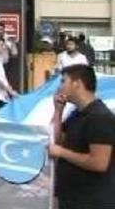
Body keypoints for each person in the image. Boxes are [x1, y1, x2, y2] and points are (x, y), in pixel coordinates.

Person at [49, 65, 115, 208]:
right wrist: (58, 111)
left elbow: (99, 162)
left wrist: (62, 153)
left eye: (63, 81)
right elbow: (56, 140)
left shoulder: (99, 117)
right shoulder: (77, 114)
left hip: (91, 201)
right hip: (71, 198)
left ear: (77, 83)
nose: (59, 87)